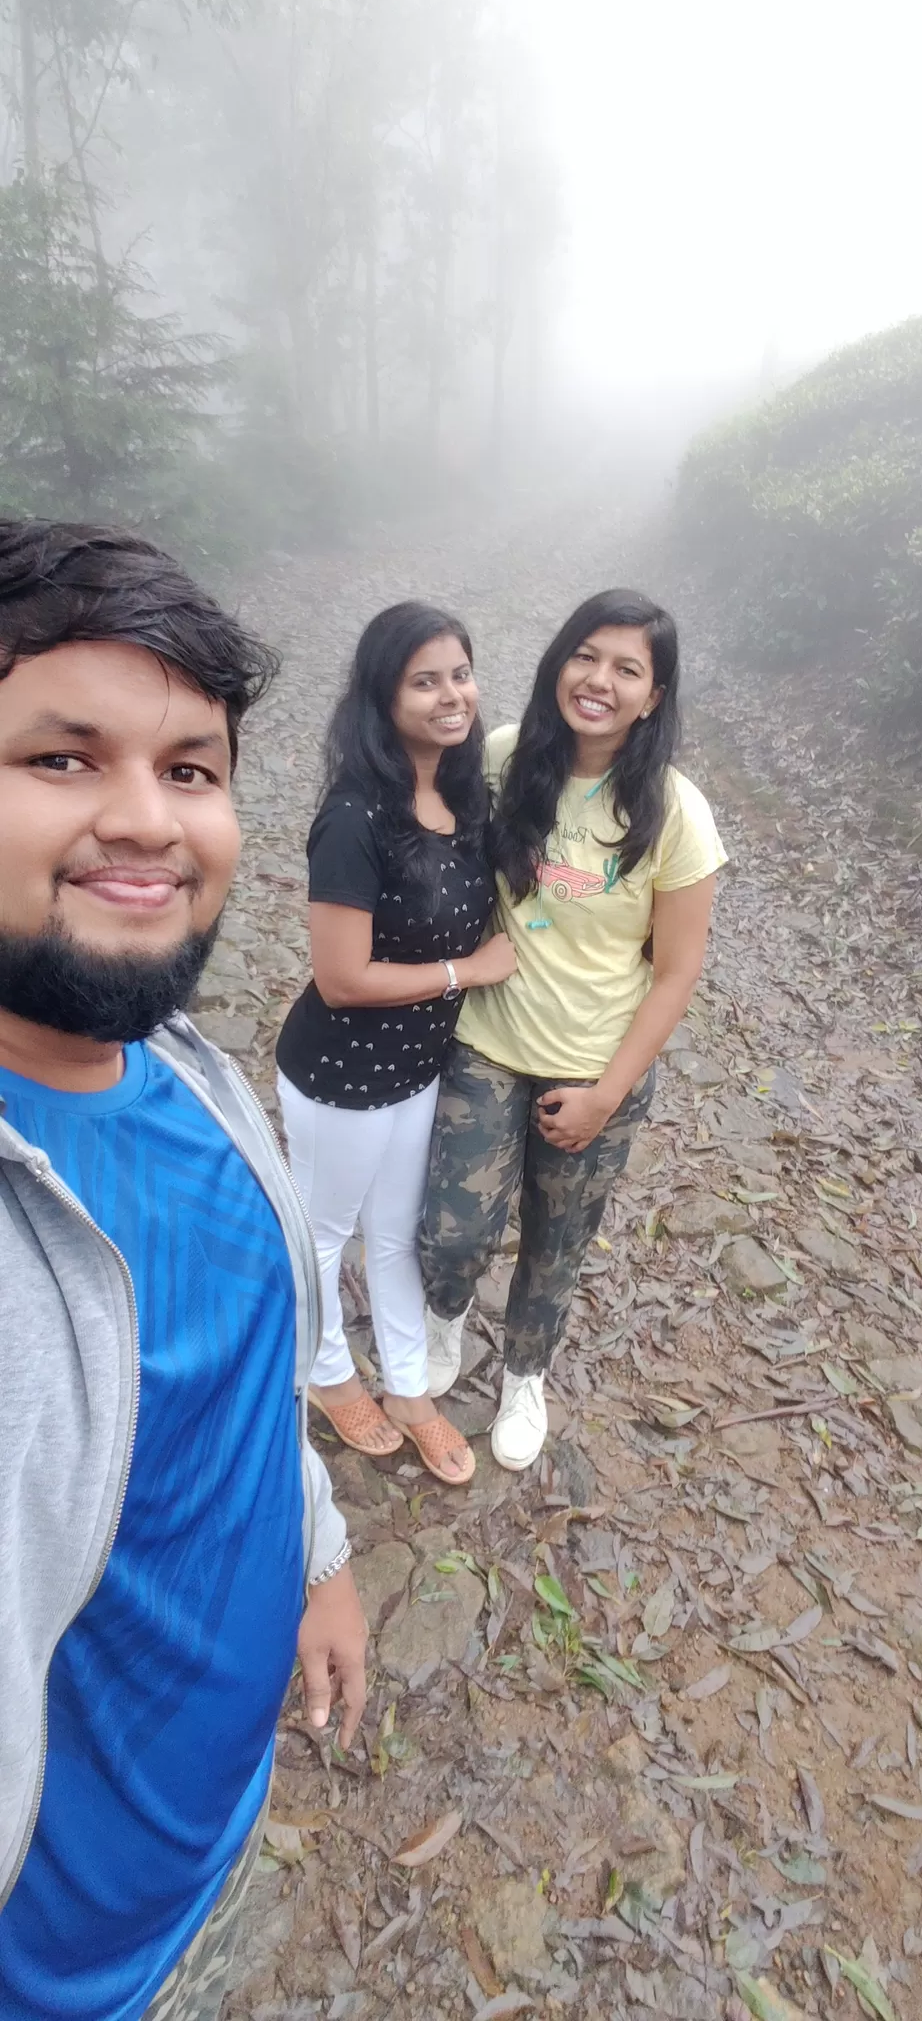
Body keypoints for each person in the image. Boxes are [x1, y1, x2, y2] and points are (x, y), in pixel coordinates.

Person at [0, 522, 367, 2021]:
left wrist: (320, 1559)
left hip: (207, 1836)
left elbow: (250, 1388)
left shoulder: (187, 1071)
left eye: (191, 768)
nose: (147, 820)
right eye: (62, 759)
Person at [420, 589, 728, 1472]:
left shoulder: (674, 813)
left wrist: (606, 1094)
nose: (599, 680)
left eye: (628, 669)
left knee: (556, 1245)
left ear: (655, 695)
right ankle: (442, 1328)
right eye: (585, 656)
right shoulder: (508, 760)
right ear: (560, 660)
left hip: (595, 1066)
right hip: (487, 1042)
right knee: (454, 1230)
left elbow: (676, 972)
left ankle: (525, 1374)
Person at [276, 602, 514, 1487]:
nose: (451, 696)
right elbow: (341, 977)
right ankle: (327, 1369)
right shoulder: (354, 817)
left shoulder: (461, 794)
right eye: (425, 681)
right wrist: (469, 970)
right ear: (383, 696)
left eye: (460, 673)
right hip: (339, 1073)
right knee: (325, 1232)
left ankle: (411, 1391)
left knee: (397, 1237)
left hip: (416, 1069)